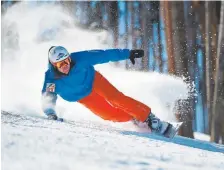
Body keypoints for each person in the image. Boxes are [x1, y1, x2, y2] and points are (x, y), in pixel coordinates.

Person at [41, 46, 175, 137]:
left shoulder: (80, 59)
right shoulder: (51, 79)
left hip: (94, 81)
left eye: (67, 60)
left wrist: (127, 54)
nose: (66, 66)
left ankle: (150, 119)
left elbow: (103, 55)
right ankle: (134, 118)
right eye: (60, 64)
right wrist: (50, 113)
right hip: (83, 96)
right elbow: (48, 97)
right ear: (54, 65)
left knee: (116, 99)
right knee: (110, 115)